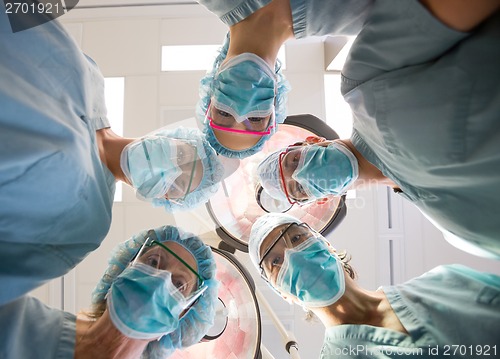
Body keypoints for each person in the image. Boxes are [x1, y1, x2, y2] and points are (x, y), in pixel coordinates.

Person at [0, 3, 223, 306]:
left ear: (164, 200)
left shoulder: (84, 226)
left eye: (178, 183)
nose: (172, 169)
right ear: (169, 136)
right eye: (182, 156)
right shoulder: (88, 76)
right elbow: (15, 15)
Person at [248, 212, 500, 358]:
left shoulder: (446, 283)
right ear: (282, 294)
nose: (294, 255)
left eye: (296, 237)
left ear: (328, 245)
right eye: (276, 261)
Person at [0, 225, 220, 359]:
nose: (160, 279)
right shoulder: (18, 322)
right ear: (123, 269)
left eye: (179, 284)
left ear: (182, 316)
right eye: (153, 261)